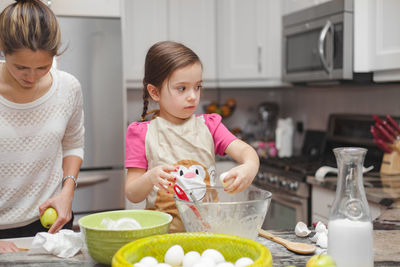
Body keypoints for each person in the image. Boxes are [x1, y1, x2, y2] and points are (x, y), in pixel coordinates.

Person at [125, 41, 259, 232]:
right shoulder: (142, 133)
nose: (193, 96)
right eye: (182, 88)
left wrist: (250, 166)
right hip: (164, 238)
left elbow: (245, 151)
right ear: (155, 92)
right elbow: (132, 193)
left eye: (197, 87)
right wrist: (149, 178)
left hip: (208, 234)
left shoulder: (210, 126)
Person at [0, 0, 84, 252]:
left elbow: (73, 144)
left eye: (43, 67)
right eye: (21, 67)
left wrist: (67, 192)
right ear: (3, 51)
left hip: (51, 223)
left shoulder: (68, 88)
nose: (32, 76)